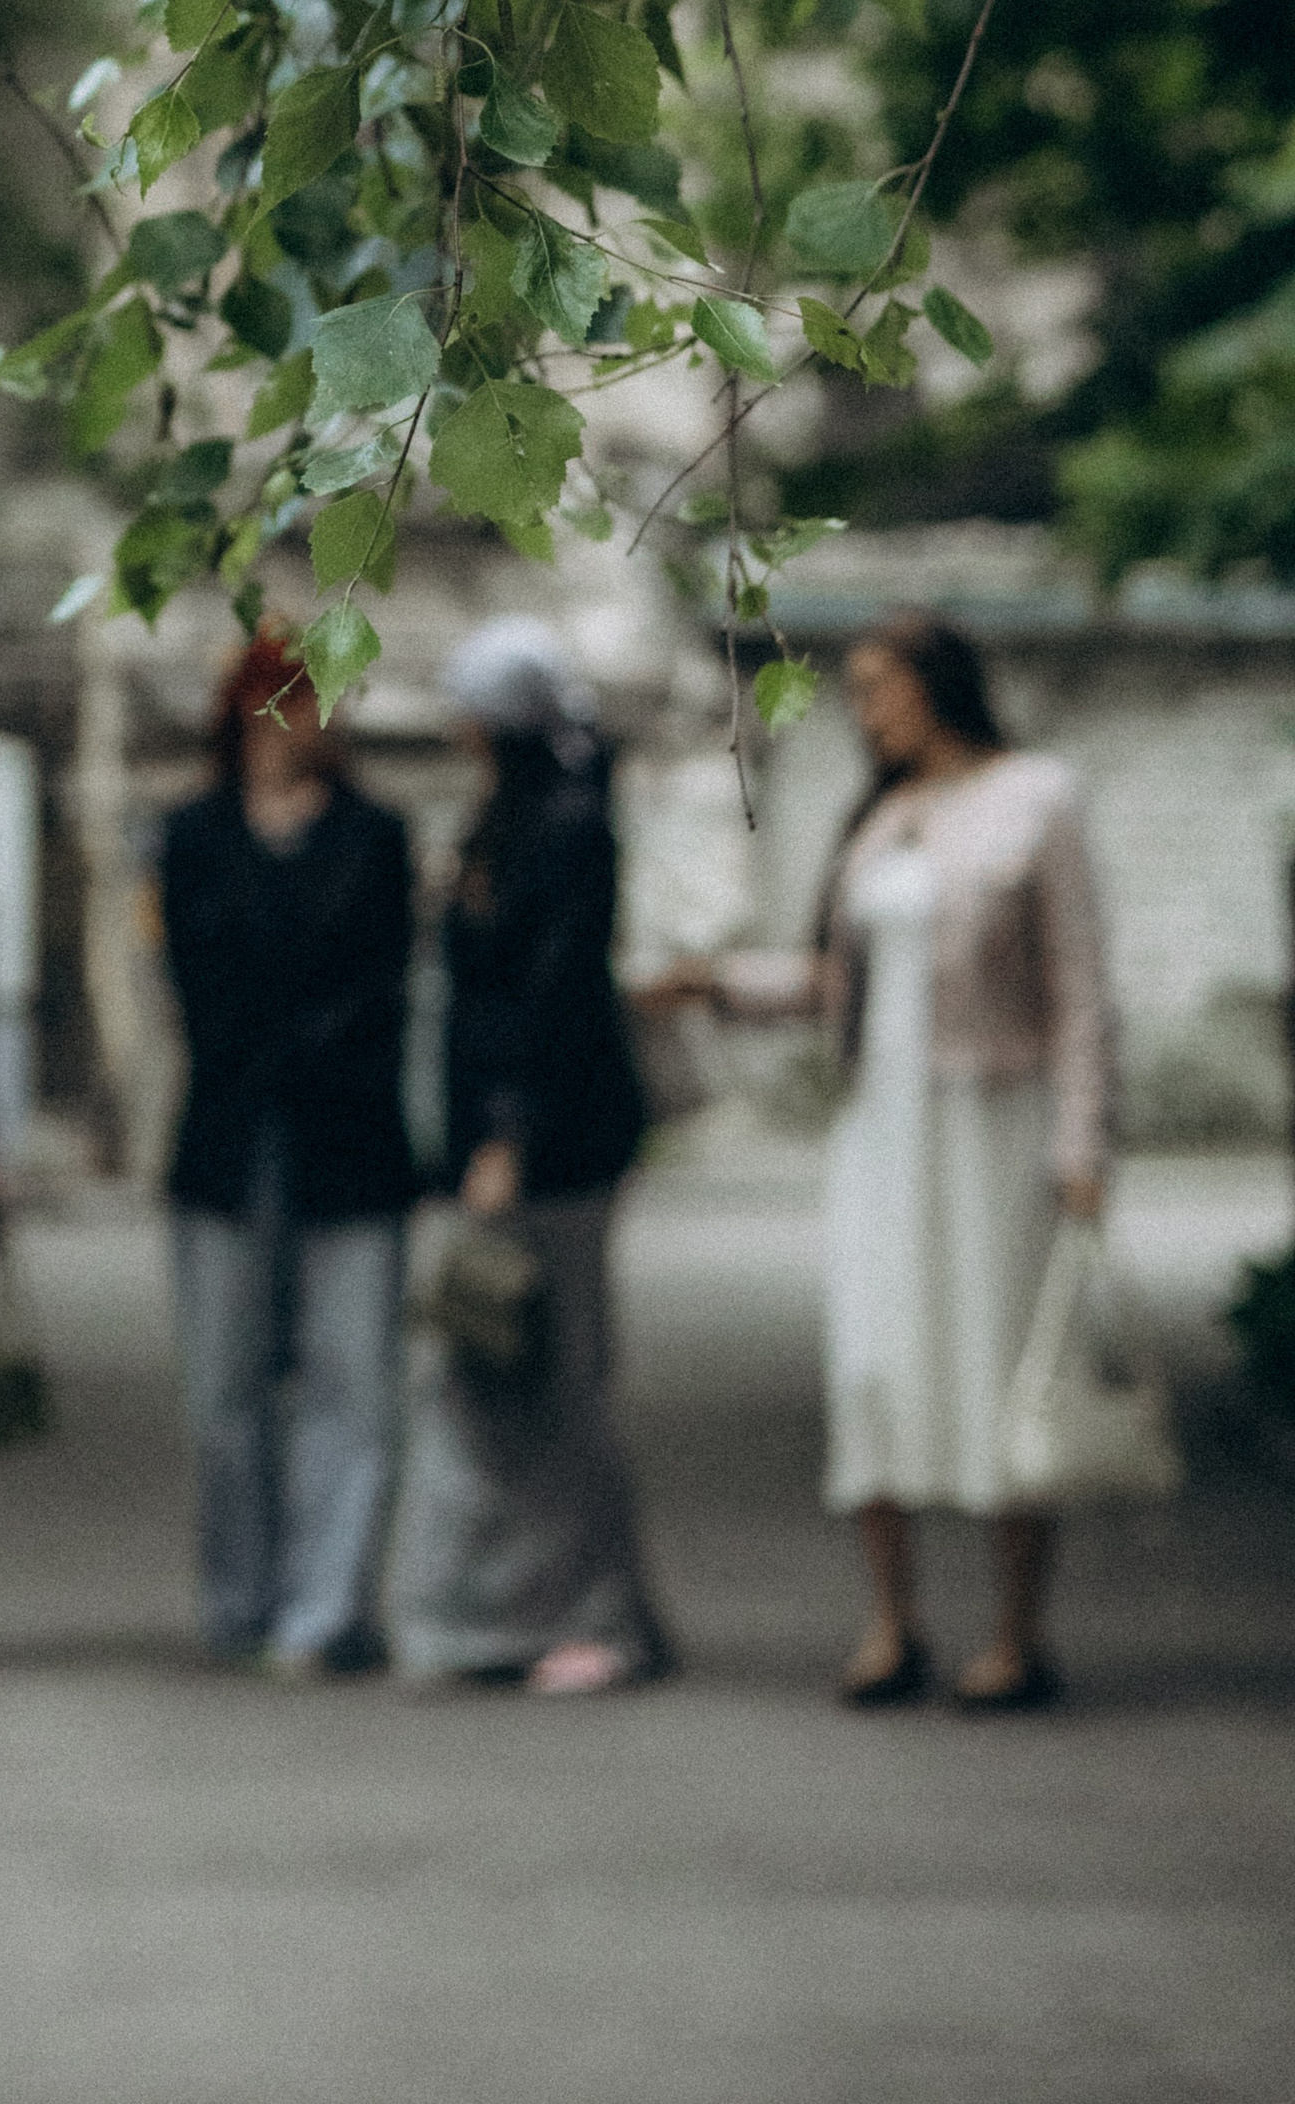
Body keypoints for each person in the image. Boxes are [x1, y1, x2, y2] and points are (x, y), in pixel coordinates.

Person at [658, 609, 1115, 1712]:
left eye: (876, 685)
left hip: (992, 1124)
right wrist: (714, 984)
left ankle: (1014, 1632)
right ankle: (892, 1620)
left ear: (934, 683)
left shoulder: (1036, 799)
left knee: (1003, 1358)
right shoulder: (879, 818)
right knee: (874, 1358)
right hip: (880, 1130)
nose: (862, 710)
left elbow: (1082, 993)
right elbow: (834, 982)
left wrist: (1081, 1141)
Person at [390, 618, 669, 1698]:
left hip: (548, 1151)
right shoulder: (522, 816)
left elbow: (544, 995)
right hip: (513, 1142)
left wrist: (504, 1136)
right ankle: (503, 1615)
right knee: (496, 1377)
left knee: (550, 1376)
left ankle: (596, 1618)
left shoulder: (560, 827)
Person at [159, 624, 415, 1676]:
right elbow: (195, 982)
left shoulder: (375, 835)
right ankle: (242, 1598)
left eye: (316, 698)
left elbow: (380, 986)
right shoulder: (191, 834)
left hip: (347, 1140)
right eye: (283, 697)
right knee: (224, 1391)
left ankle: (325, 1606)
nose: (302, 719)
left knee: (351, 1385)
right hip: (226, 1140)